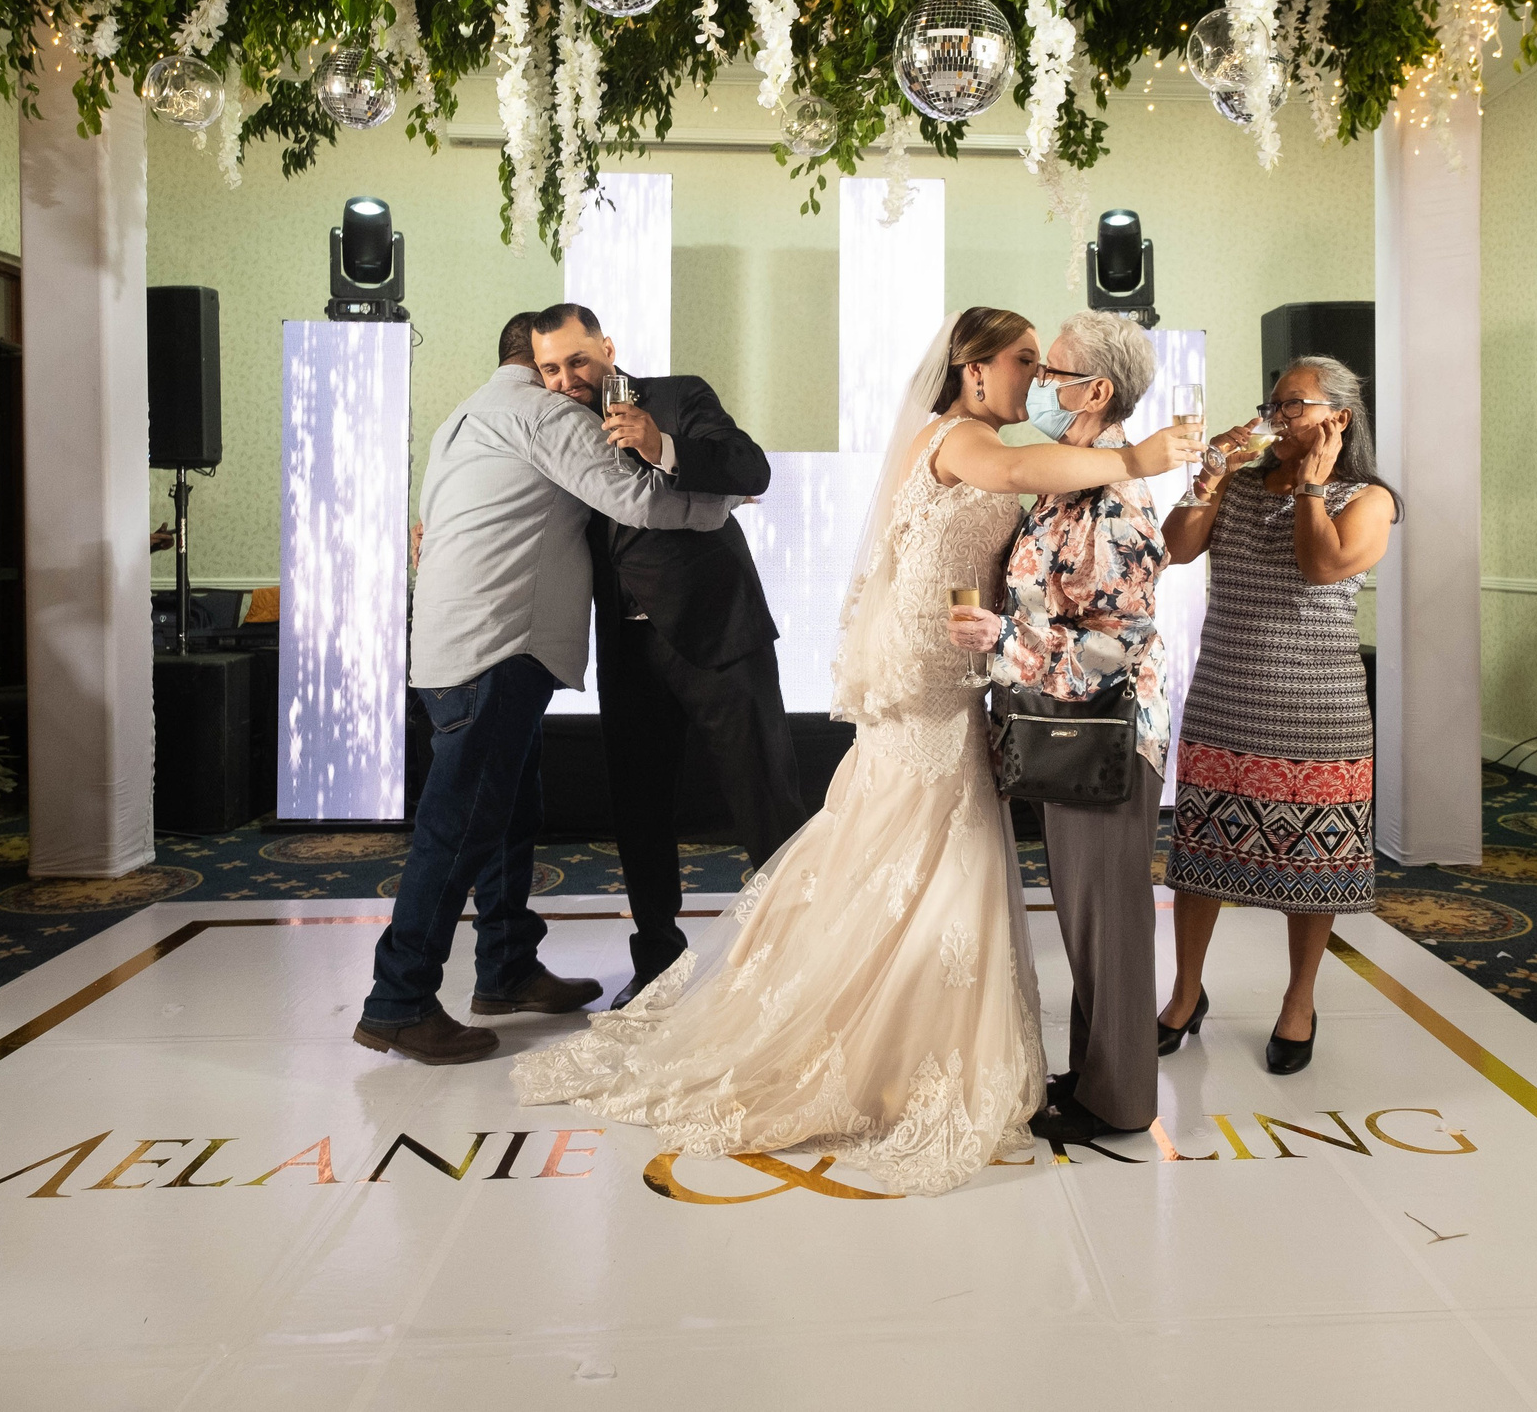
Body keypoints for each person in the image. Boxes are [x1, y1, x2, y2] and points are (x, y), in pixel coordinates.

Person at [512, 308, 1201, 1194]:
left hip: (959, 655)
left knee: (906, 837)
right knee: (923, 830)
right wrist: (1142, 456)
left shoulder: (997, 436)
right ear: (973, 369)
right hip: (935, 663)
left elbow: (1071, 514)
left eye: (1046, 363)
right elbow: (1026, 471)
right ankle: (897, 1040)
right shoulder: (963, 439)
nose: (1036, 375)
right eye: (1024, 359)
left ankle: (919, 1026)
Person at [353, 329, 740, 1066]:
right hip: (499, 645)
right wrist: (718, 508)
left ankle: (505, 968)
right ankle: (397, 998)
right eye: (557, 365)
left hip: (447, 644)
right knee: (459, 823)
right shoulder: (546, 413)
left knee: (506, 816)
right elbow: (633, 499)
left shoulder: (459, 419)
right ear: (537, 360)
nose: (571, 379)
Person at [529, 303, 803, 1009]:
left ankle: (801, 955)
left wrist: (662, 445)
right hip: (627, 645)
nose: (566, 380)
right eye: (550, 368)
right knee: (639, 811)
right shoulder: (549, 428)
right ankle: (656, 962)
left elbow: (752, 467)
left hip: (719, 633)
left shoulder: (678, 393)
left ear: (608, 349)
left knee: (765, 799)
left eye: (577, 362)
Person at [945, 309, 1169, 1144]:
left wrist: (1003, 638)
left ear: (1096, 390)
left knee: (1108, 918)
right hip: (1077, 728)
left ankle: (1120, 1103)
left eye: (1054, 371)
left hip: (1108, 734)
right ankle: (1102, 1074)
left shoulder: (1115, 501)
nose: (1039, 385)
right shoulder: (1067, 478)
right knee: (1089, 915)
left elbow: (1114, 648)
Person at [1157, 355, 1398, 1076]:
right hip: (1227, 693)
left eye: (1292, 405)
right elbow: (1175, 547)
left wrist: (1312, 490)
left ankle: (1299, 1001)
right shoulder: (1237, 483)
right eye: (1273, 403)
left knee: (1312, 862)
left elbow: (1322, 566)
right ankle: (1185, 993)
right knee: (1199, 857)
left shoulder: (1370, 498)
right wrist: (1209, 477)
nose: (1275, 416)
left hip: (1319, 708)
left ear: (1338, 419)